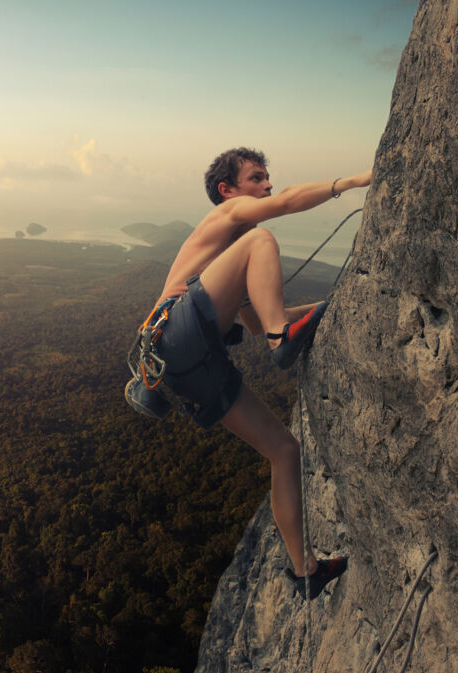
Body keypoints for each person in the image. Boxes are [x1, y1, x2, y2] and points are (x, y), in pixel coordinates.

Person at [126, 147, 371, 599]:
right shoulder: (230, 216)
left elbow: (259, 324)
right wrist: (351, 182)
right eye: (257, 178)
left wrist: (326, 309)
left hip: (187, 367)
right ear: (229, 190)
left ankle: (304, 570)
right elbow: (286, 204)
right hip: (177, 333)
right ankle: (287, 338)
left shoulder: (227, 263)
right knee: (262, 240)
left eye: (267, 179)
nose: (268, 186)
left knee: (284, 450)